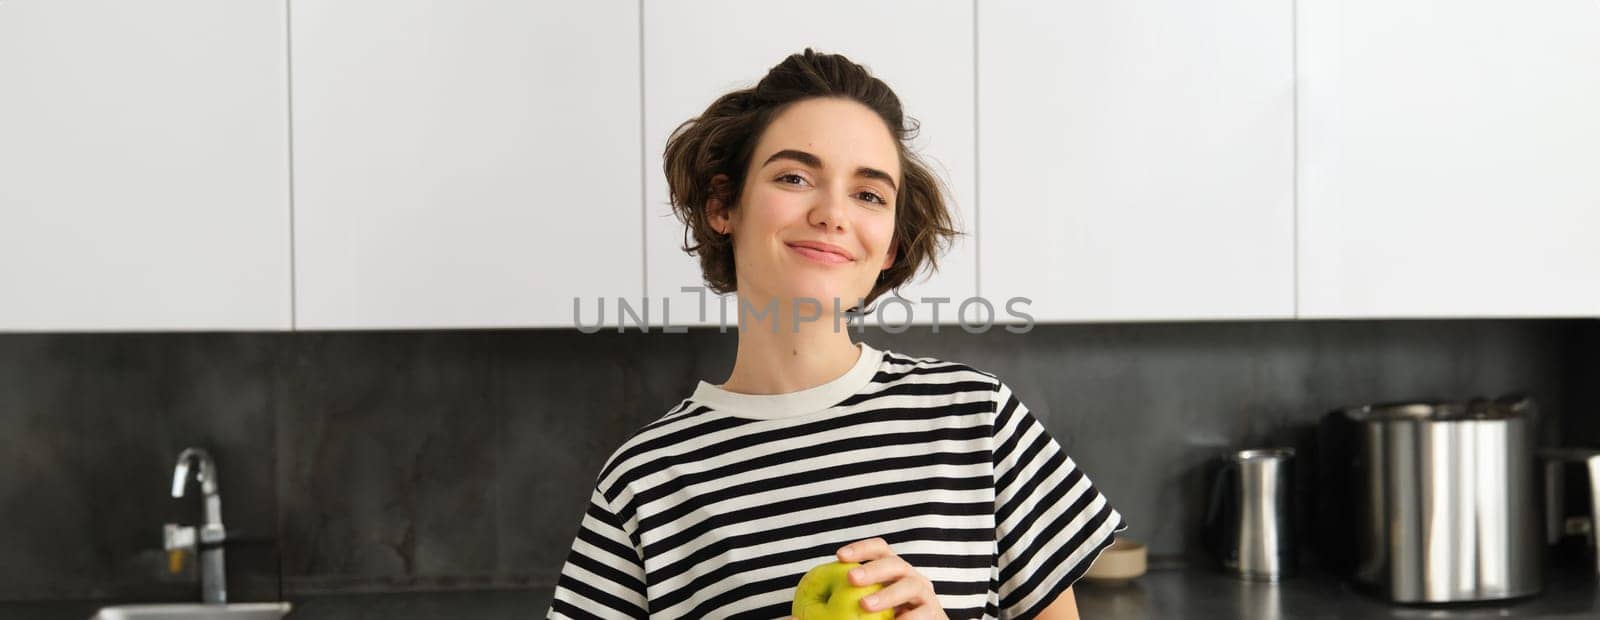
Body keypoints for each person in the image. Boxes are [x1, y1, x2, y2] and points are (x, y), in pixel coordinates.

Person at [549, 48, 1124, 620]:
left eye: (869, 194)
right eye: (795, 176)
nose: (833, 213)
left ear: (890, 244)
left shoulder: (976, 420)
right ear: (725, 204)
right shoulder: (647, 479)